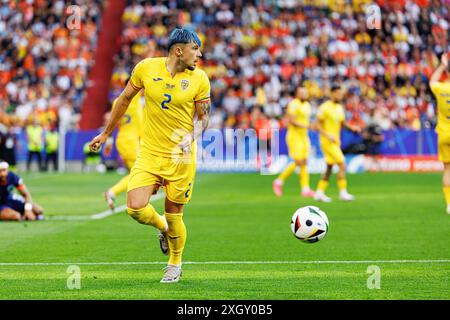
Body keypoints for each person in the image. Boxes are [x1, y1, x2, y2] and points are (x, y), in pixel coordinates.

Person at [88, 28, 211, 283]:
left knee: (175, 212)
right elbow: (123, 99)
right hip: (151, 152)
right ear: (179, 50)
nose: (199, 54)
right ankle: (163, 228)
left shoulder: (200, 79)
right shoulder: (145, 68)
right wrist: (106, 133)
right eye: (195, 49)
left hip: (181, 157)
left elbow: (203, 118)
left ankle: (175, 264)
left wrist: (192, 136)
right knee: (134, 207)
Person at [314, 85, 361, 202]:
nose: (340, 96)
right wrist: (327, 135)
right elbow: (317, 125)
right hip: (327, 141)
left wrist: (352, 128)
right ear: (332, 93)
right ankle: (343, 192)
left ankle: (319, 192)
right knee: (342, 164)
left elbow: (342, 123)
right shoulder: (324, 107)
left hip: (335, 141)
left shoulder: (339, 108)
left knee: (329, 167)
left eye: (341, 94)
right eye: (338, 93)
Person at [103, 90, 144, 211]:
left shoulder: (117, 101)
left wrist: (109, 140)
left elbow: (112, 120)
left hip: (124, 140)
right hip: (130, 142)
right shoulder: (134, 98)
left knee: (136, 174)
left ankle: (134, 201)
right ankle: (112, 192)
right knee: (139, 173)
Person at [273, 87, 315, 198]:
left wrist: (310, 125)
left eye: (305, 92)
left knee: (304, 161)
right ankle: (279, 181)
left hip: (304, 136)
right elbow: (291, 121)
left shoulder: (307, 105)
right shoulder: (293, 104)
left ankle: (305, 189)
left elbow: (306, 120)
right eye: (301, 92)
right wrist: (307, 126)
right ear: (297, 94)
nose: (304, 94)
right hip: (294, 136)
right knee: (299, 161)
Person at [429, 52, 450, 214]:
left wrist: (442, 65)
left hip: (444, 133)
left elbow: (432, 81)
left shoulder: (441, 88)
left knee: (447, 170)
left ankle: (449, 204)